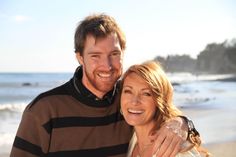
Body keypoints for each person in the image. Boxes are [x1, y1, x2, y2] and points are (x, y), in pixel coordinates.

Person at [10, 14, 195, 157]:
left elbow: (160, 109)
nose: (107, 66)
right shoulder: (43, 110)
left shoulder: (126, 102)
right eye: (95, 56)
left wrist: (183, 123)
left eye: (114, 54)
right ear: (80, 57)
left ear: (123, 53)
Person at [120, 61, 210, 157]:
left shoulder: (177, 150)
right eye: (128, 91)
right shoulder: (132, 140)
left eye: (146, 94)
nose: (134, 101)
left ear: (160, 100)